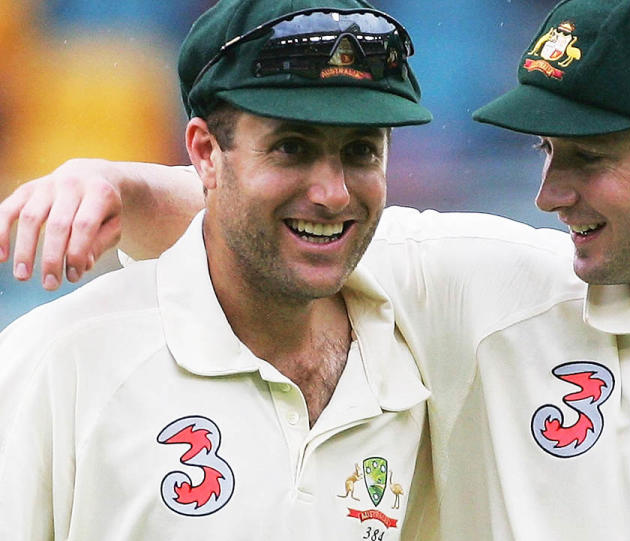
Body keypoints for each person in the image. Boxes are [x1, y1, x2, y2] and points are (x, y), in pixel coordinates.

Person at [3, 0, 630, 539]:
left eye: (589, 157)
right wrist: (111, 180)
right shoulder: (488, 287)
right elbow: (291, 213)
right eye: (546, 154)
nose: (549, 192)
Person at [0, 0, 440, 539]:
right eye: (292, 148)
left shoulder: (415, 351)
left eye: (361, 151)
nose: (333, 193)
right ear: (205, 153)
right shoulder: (59, 361)